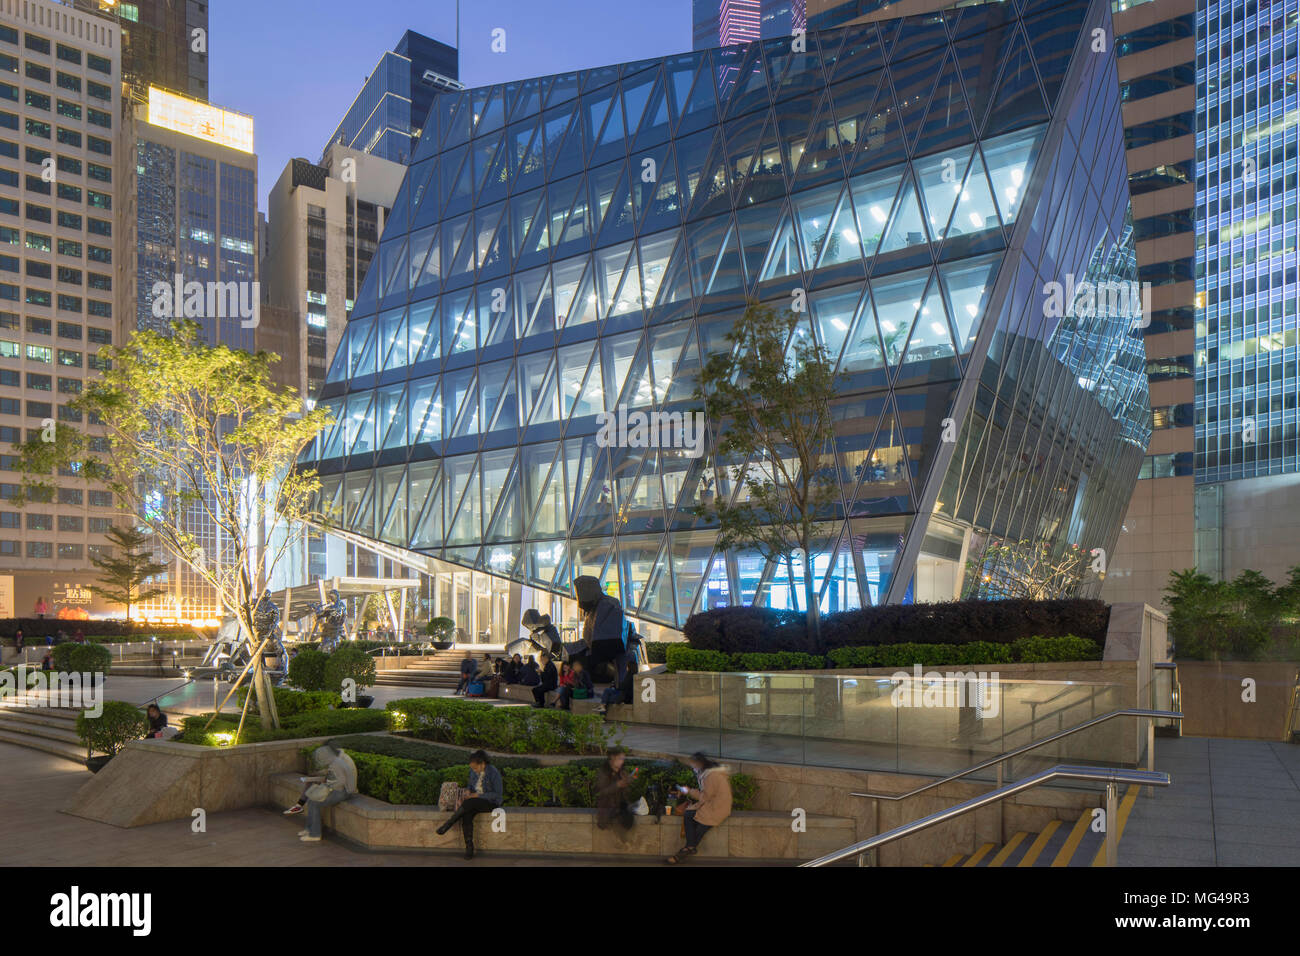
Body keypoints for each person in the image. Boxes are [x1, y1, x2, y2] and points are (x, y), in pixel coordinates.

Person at [435, 750, 502, 859]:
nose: (473, 770)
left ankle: (448, 824)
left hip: (491, 803)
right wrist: (468, 791)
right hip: (474, 802)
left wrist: (477, 796)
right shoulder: (473, 772)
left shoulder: (493, 772)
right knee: (467, 814)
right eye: (472, 768)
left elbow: (497, 794)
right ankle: (469, 848)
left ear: (483, 763)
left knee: (470, 802)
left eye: (475, 768)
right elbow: (470, 786)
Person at [667, 753, 732, 863]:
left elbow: (704, 797)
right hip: (715, 805)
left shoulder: (710, 776)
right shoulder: (710, 773)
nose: (692, 768)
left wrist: (689, 791)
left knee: (697, 820)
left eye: (693, 766)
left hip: (716, 808)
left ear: (699, 764)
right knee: (689, 815)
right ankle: (689, 848)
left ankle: (686, 849)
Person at [574, 575, 628, 686]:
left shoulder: (609, 603)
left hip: (612, 650)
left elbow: (611, 637)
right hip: (595, 650)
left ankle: (621, 687)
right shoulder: (591, 609)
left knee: (621, 660)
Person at [298, 744, 358, 843]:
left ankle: (315, 834)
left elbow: (341, 782)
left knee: (314, 803)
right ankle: (309, 829)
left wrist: (328, 784)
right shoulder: (336, 761)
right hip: (340, 789)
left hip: (343, 792)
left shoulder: (337, 763)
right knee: (311, 800)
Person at [595, 748, 637, 837]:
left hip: (620, 805)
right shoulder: (604, 772)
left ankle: (623, 841)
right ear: (612, 758)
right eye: (620, 759)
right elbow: (601, 792)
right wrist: (617, 785)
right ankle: (622, 842)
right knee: (623, 820)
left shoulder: (621, 771)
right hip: (608, 806)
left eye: (623, 759)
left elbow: (626, 793)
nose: (622, 762)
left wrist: (628, 782)